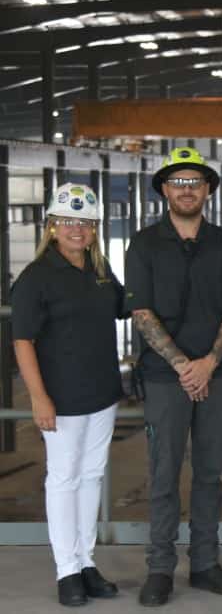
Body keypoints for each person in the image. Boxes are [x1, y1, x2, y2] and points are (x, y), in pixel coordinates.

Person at [126, 147, 222, 607]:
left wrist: (208, 364)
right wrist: (183, 366)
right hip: (163, 377)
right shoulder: (143, 243)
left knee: (211, 474)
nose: (187, 189)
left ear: (209, 189)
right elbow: (141, 312)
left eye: (195, 181)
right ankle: (160, 569)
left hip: (216, 374)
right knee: (163, 474)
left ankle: (205, 564)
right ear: (163, 190)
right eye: (178, 182)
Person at [12, 184, 123, 607]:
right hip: (61, 396)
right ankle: (67, 571)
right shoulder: (36, 277)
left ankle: (86, 560)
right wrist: (39, 398)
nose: (77, 230)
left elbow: (127, 306)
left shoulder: (100, 270)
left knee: (92, 476)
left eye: (86, 223)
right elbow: (22, 341)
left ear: (94, 229)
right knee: (63, 478)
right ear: (52, 226)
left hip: (102, 392)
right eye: (68, 221)